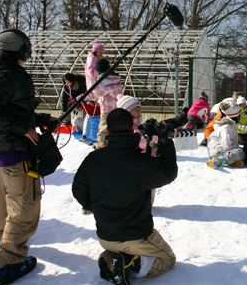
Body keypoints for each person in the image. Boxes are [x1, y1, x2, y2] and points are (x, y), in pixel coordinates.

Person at [0, 29, 61, 284]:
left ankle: (0, 243)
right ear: (23, 51)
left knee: (3, 205)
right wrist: (23, 129)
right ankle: (9, 263)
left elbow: (10, 109)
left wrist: (42, 119)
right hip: (15, 157)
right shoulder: (10, 75)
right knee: (24, 209)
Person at [72, 108, 177, 285]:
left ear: (109, 131)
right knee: (168, 260)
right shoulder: (139, 162)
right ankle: (130, 264)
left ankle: (111, 256)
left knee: (120, 245)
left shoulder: (93, 158)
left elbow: (78, 189)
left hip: (105, 236)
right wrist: (165, 141)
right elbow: (168, 173)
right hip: (136, 236)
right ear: (132, 128)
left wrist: (95, 206)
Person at [84, 58, 123, 149]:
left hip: (108, 110)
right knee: (115, 130)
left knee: (103, 130)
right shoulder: (115, 79)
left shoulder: (104, 80)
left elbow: (94, 94)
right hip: (118, 108)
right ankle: (114, 146)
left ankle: (100, 148)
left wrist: (81, 97)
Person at [206, 103, 246, 169]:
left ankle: (231, 161)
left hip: (222, 151)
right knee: (241, 152)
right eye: (240, 115)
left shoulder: (231, 126)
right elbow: (227, 145)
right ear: (236, 116)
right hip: (217, 152)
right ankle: (218, 161)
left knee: (241, 152)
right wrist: (237, 149)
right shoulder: (226, 127)